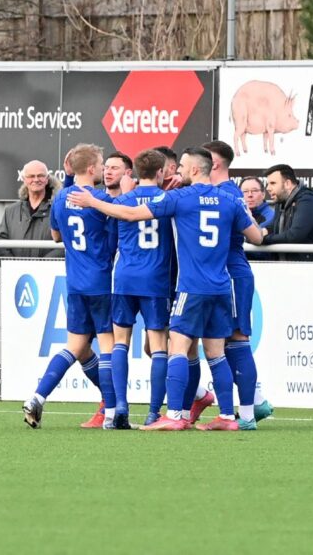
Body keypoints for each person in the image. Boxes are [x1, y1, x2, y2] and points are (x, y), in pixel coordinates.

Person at [70, 147, 262, 432]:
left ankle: (174, 414)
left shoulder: (179, 198)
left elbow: (132, 214)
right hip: (222, 287)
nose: (178, 170)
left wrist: (93, 202)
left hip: (191, 288)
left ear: (196, 169)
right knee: (216, 353)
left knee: (178, 348)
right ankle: (228, 416)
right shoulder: (230, 199)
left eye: (182, 166)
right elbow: (257, 237)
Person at [22, 144, 122, 429]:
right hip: (101, 280)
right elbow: (114, 242)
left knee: (75, 348)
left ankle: (38, 397)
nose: (103, 169)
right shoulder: (102, 200)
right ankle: (112, 412)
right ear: (91, 169)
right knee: (107, 345)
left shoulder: (61, 197)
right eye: (101, 164)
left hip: (75, 281)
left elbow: (55, 236)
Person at [201, 140, 272, 430]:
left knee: (237, 340)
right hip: (221, 273)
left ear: (214, 164)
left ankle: (245, 415)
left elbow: (255, 236)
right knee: (226, 342)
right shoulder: (224, 193)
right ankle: (251, 405)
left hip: (230, 273)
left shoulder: (227, 194)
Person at [105, 149, 173, 428]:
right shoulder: (168, 200)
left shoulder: (123, 200)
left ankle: (121, 405)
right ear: (161, 172)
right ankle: (154, 412)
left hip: (124, 277)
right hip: (156, 280)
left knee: (120, 341)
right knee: (158, 346)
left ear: (133, 172)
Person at [261, 164, 313, 262]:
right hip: (292, 268)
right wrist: (260, 232)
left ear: (287, 184)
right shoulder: (280, 203)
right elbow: (274, 228)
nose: (268, 188)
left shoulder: (308, 202)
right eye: (268, 184)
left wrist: (263, 239)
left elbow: (294, 236)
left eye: (273, 183)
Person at [0, 160, 63, 258]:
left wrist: (42, 264)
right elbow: (1, 241)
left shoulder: (58, 209)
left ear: (47, 179)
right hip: (16, 271)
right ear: (24, 179)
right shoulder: (10, 211)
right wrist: (12, 264)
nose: (36, 179)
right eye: (31, 176)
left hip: (48, 271)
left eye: (40, 176)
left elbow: (65, 242)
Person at [239, 175, 275, 261]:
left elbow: (256, 239)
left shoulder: (271, 216)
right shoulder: (237, 213)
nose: (250, 195)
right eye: (245, 191)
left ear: (263, 194)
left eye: (254, 191)